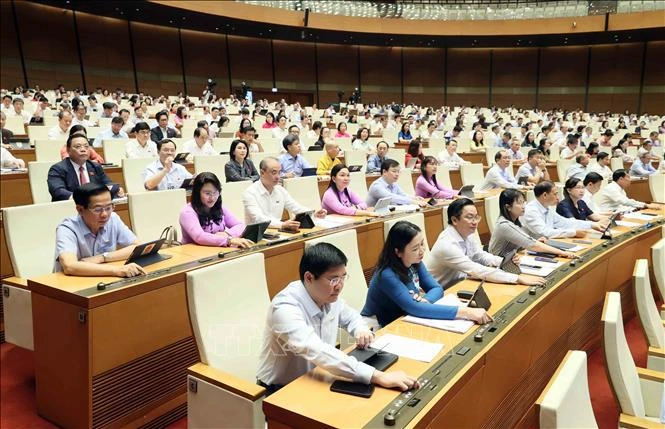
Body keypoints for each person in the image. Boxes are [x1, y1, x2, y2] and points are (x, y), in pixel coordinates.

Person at [256, 242, 420, 394]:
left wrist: (360, 330)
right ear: (309, 277)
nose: (339, 285)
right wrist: (378, 376)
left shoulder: (327, 295)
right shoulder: (285, 307)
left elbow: (351, 317)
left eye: (343, 277)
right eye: (333, 279)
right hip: (279, 390)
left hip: (318, 376)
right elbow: (316, 350)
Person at [362, 221, 491, 327]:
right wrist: (466, 312)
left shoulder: (415, 261)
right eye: (415, 248)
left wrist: (424, 301)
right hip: (376, 326)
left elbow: (436, 288)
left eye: (422, 244)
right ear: (398, 252)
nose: (422, 251)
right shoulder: (386, 274)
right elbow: (414, 308)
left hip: (402, 317)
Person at [426, 198, 546, 289]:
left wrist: (504, 262)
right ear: (454, 220)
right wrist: (518, 278)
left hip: (460, 282)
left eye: (476, 217)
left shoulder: (467, 233)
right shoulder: (447, 245)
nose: (474, 222)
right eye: (469, 217)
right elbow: (476, 269)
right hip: (440, 291)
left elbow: (480, 255)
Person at [54, 183, 144, 277]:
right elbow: (69, 266)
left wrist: (102, 257)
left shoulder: (113, 219)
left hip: (102, 278)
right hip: (72, 284)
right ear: (80, 210)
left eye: (109, 208)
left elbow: (137, 246)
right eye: (97, 209)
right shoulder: (67, 229)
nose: (104, 214)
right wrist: (116, 270)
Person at [488, 189, 577, 258]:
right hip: (498, 266)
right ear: (508, 207)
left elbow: (520, 245)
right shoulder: (504, 225)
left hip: (512, 261)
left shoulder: (515, 222)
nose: (523, 206)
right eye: (519, 203)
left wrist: (535, 241)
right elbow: (532, 245)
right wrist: (563, 252)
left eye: (523, 202)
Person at [242, 157, 326, 230]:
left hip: (277, 231)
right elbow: (258, 219)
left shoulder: (280, 190)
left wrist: (313, 214)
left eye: (279, 172)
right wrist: (282, 224)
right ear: (262, 173)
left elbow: (296, 208)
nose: (278, 176)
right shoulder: (250, 192)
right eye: (274, 172)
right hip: (256, 235)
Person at [179, 172, 253, 248]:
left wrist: (227, 233)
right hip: (193, 253)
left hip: (217, 250)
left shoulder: (219, 207)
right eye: (207, 193)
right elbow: (199, 237)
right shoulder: (187, 212)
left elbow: (241, 225)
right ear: (197, 193)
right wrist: (228, 240)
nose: (212, 198)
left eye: (215, 192)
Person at [48, 132, 123, 201]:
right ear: (68, 150)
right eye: (78, 146)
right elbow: (58, 191)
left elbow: (108, 184)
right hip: (69, 208)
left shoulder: (95, 166)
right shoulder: (57, 169)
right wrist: (82, 199)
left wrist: (117, 189)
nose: (83, 149)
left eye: (86, 146)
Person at [522, 181, 606, 239]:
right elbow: (545, 232)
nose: (557, 198)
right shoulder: (531, 211)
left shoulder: (547, 208)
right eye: (555, 194)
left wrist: (591, 225)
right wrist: (574, 232)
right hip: (535, 248)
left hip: (549, 243)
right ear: (544, 195)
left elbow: (565, 222)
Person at [596, 169, 661, 212]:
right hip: (609, 214)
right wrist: (646, 205)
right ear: (621, 179)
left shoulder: (620, 188)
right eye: (628, 177)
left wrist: (637, 207)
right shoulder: (611, 188)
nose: (630, 180)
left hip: (618, 212)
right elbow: (625, 202)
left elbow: (625, 204)